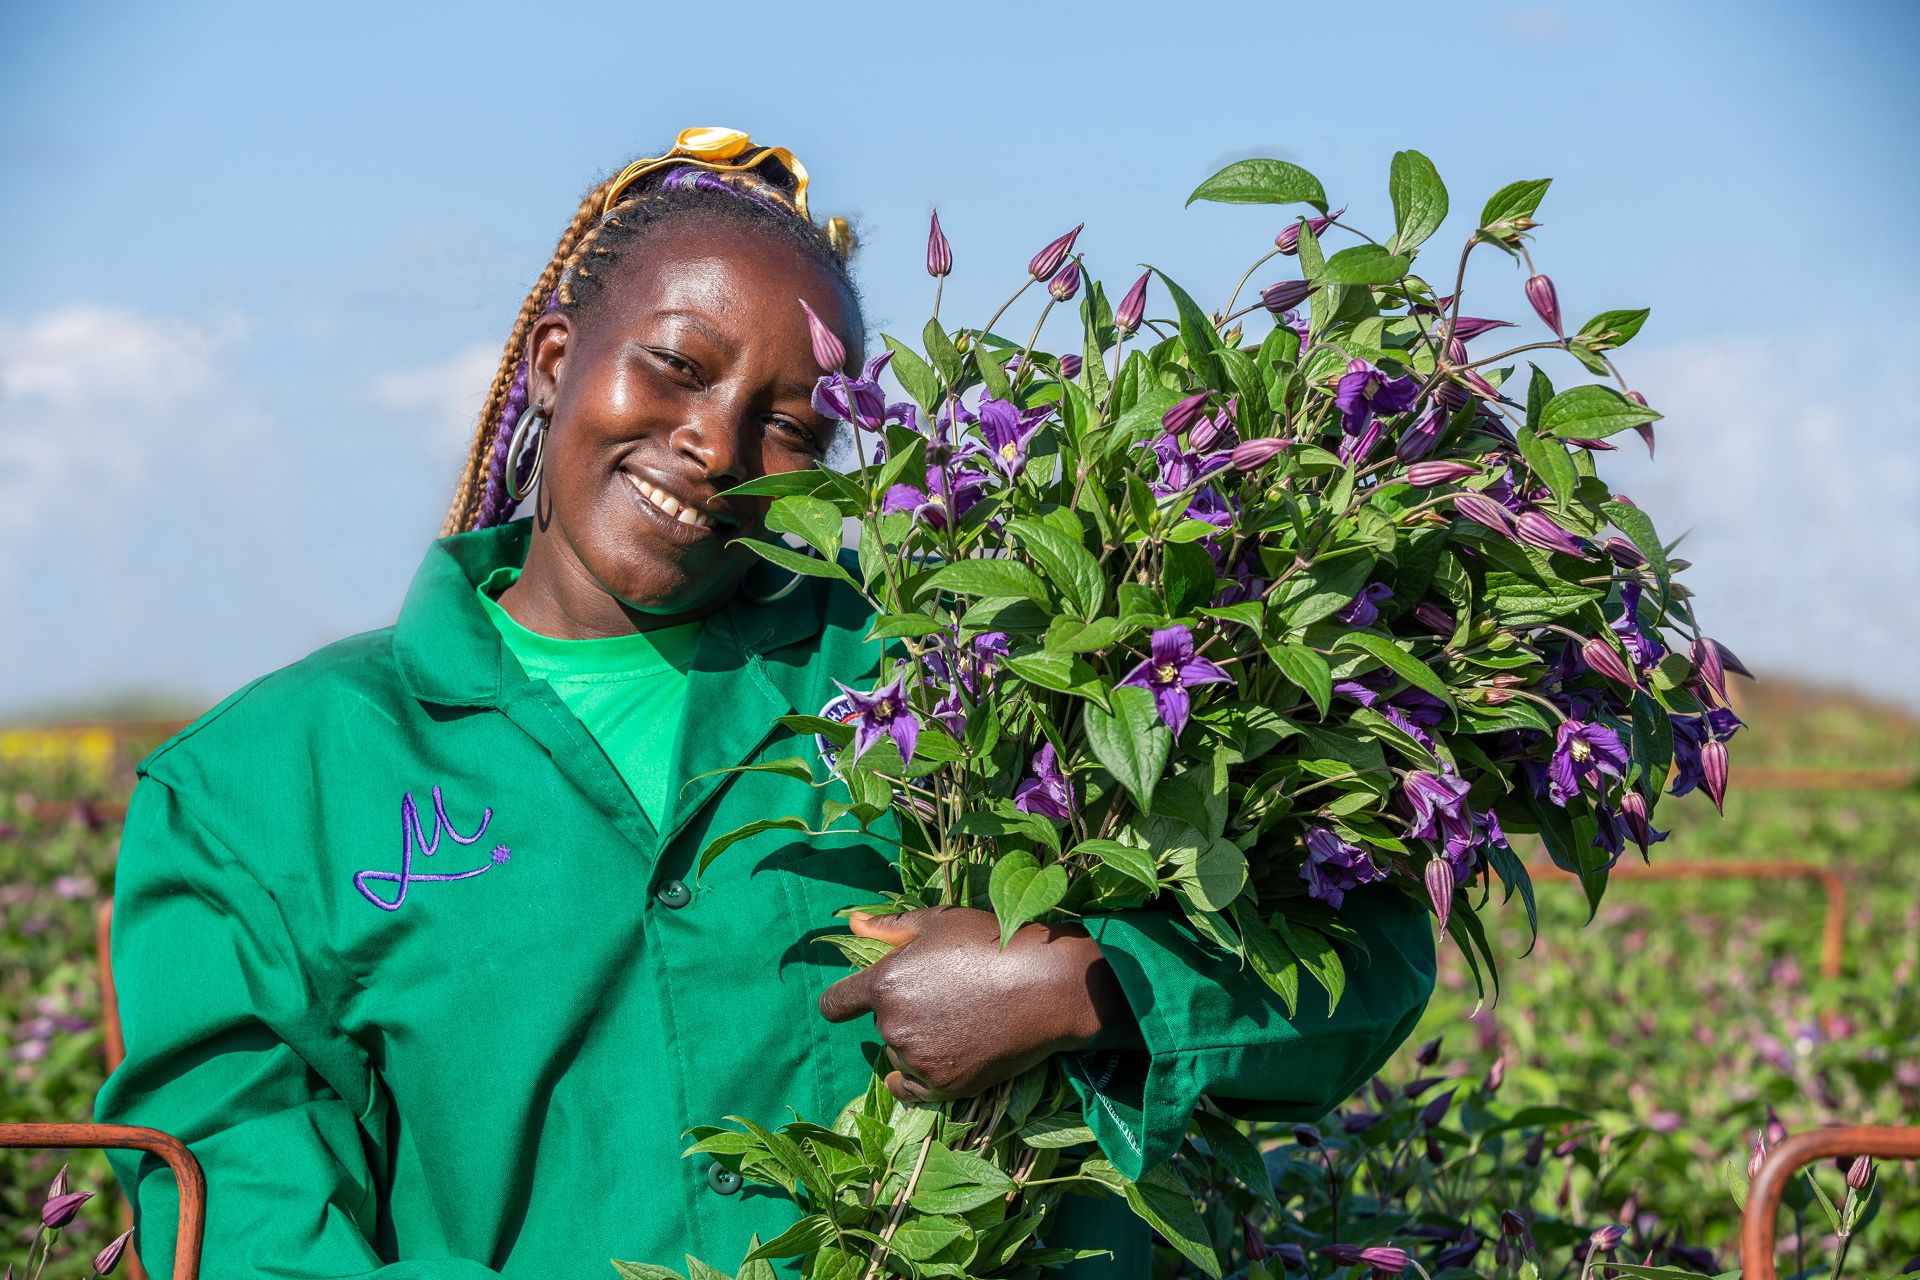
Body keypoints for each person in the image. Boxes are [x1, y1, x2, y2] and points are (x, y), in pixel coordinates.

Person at [96, 127, 1436, 1279]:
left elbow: (1365, 958)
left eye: (793, 425)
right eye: (676, 367)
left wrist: (1088, 985)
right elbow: (245, 1227)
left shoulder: (954, 678)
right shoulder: (261, 790)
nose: (717, 445)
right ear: (556, 359)